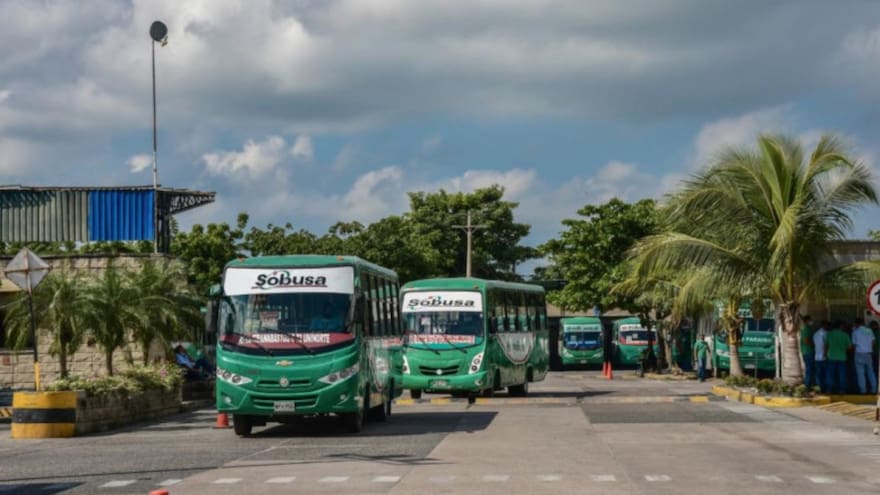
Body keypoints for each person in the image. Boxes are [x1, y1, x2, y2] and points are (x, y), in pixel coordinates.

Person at [851, 318, 877, 394]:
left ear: (856, 324)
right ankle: (873, 390)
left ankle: (863, 391)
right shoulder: (869, 330)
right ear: (863, 323)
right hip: (868, 354)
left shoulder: (855, 332)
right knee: (871, 372)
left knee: (860, 374)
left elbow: (854, 345)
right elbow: (873, 342)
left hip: (859, 354)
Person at [825, 321, 851, 395]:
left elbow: (826, 345)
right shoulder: (845, 335)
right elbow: (849, 347)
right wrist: (843, 349)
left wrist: (826, 354)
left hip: (831, 357)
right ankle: (842, 390)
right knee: (842, 374)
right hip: (842, 357)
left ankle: (829, 390)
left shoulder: (829, 334)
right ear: (841, 326)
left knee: (830, 374)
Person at [813, 321, 829, 393]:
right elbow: (826, 345)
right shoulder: (825, 333)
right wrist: (826, 354)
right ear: (824, 326)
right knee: (826, 374)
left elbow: (814, 345)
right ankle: (825, 389)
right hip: (823, 357)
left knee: (818, 375)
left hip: (817, 356)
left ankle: (818, 389)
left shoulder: (815, 334)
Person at [800, 316, 815, 389]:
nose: (812, 322)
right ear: (807, 321)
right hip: (808, 351)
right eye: (810, 320)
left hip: (807, 351)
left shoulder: (807, 329)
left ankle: (808, 384)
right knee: (809, 369)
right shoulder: (806, 329)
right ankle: (807, 385)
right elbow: (806, 341)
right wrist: (814, 344)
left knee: (810, 368)